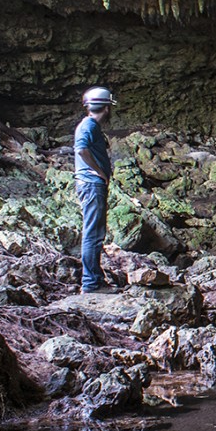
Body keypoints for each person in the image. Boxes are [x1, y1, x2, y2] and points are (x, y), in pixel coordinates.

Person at [74, 86, 117, 294]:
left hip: (92, 185)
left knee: (96, 233)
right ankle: (91, 284)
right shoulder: (88, 126)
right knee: (92, 234)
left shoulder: (90, 125)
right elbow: (81, 149)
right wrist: (99, 172)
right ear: (107, 108)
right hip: (91, 185)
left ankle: (95, 280)